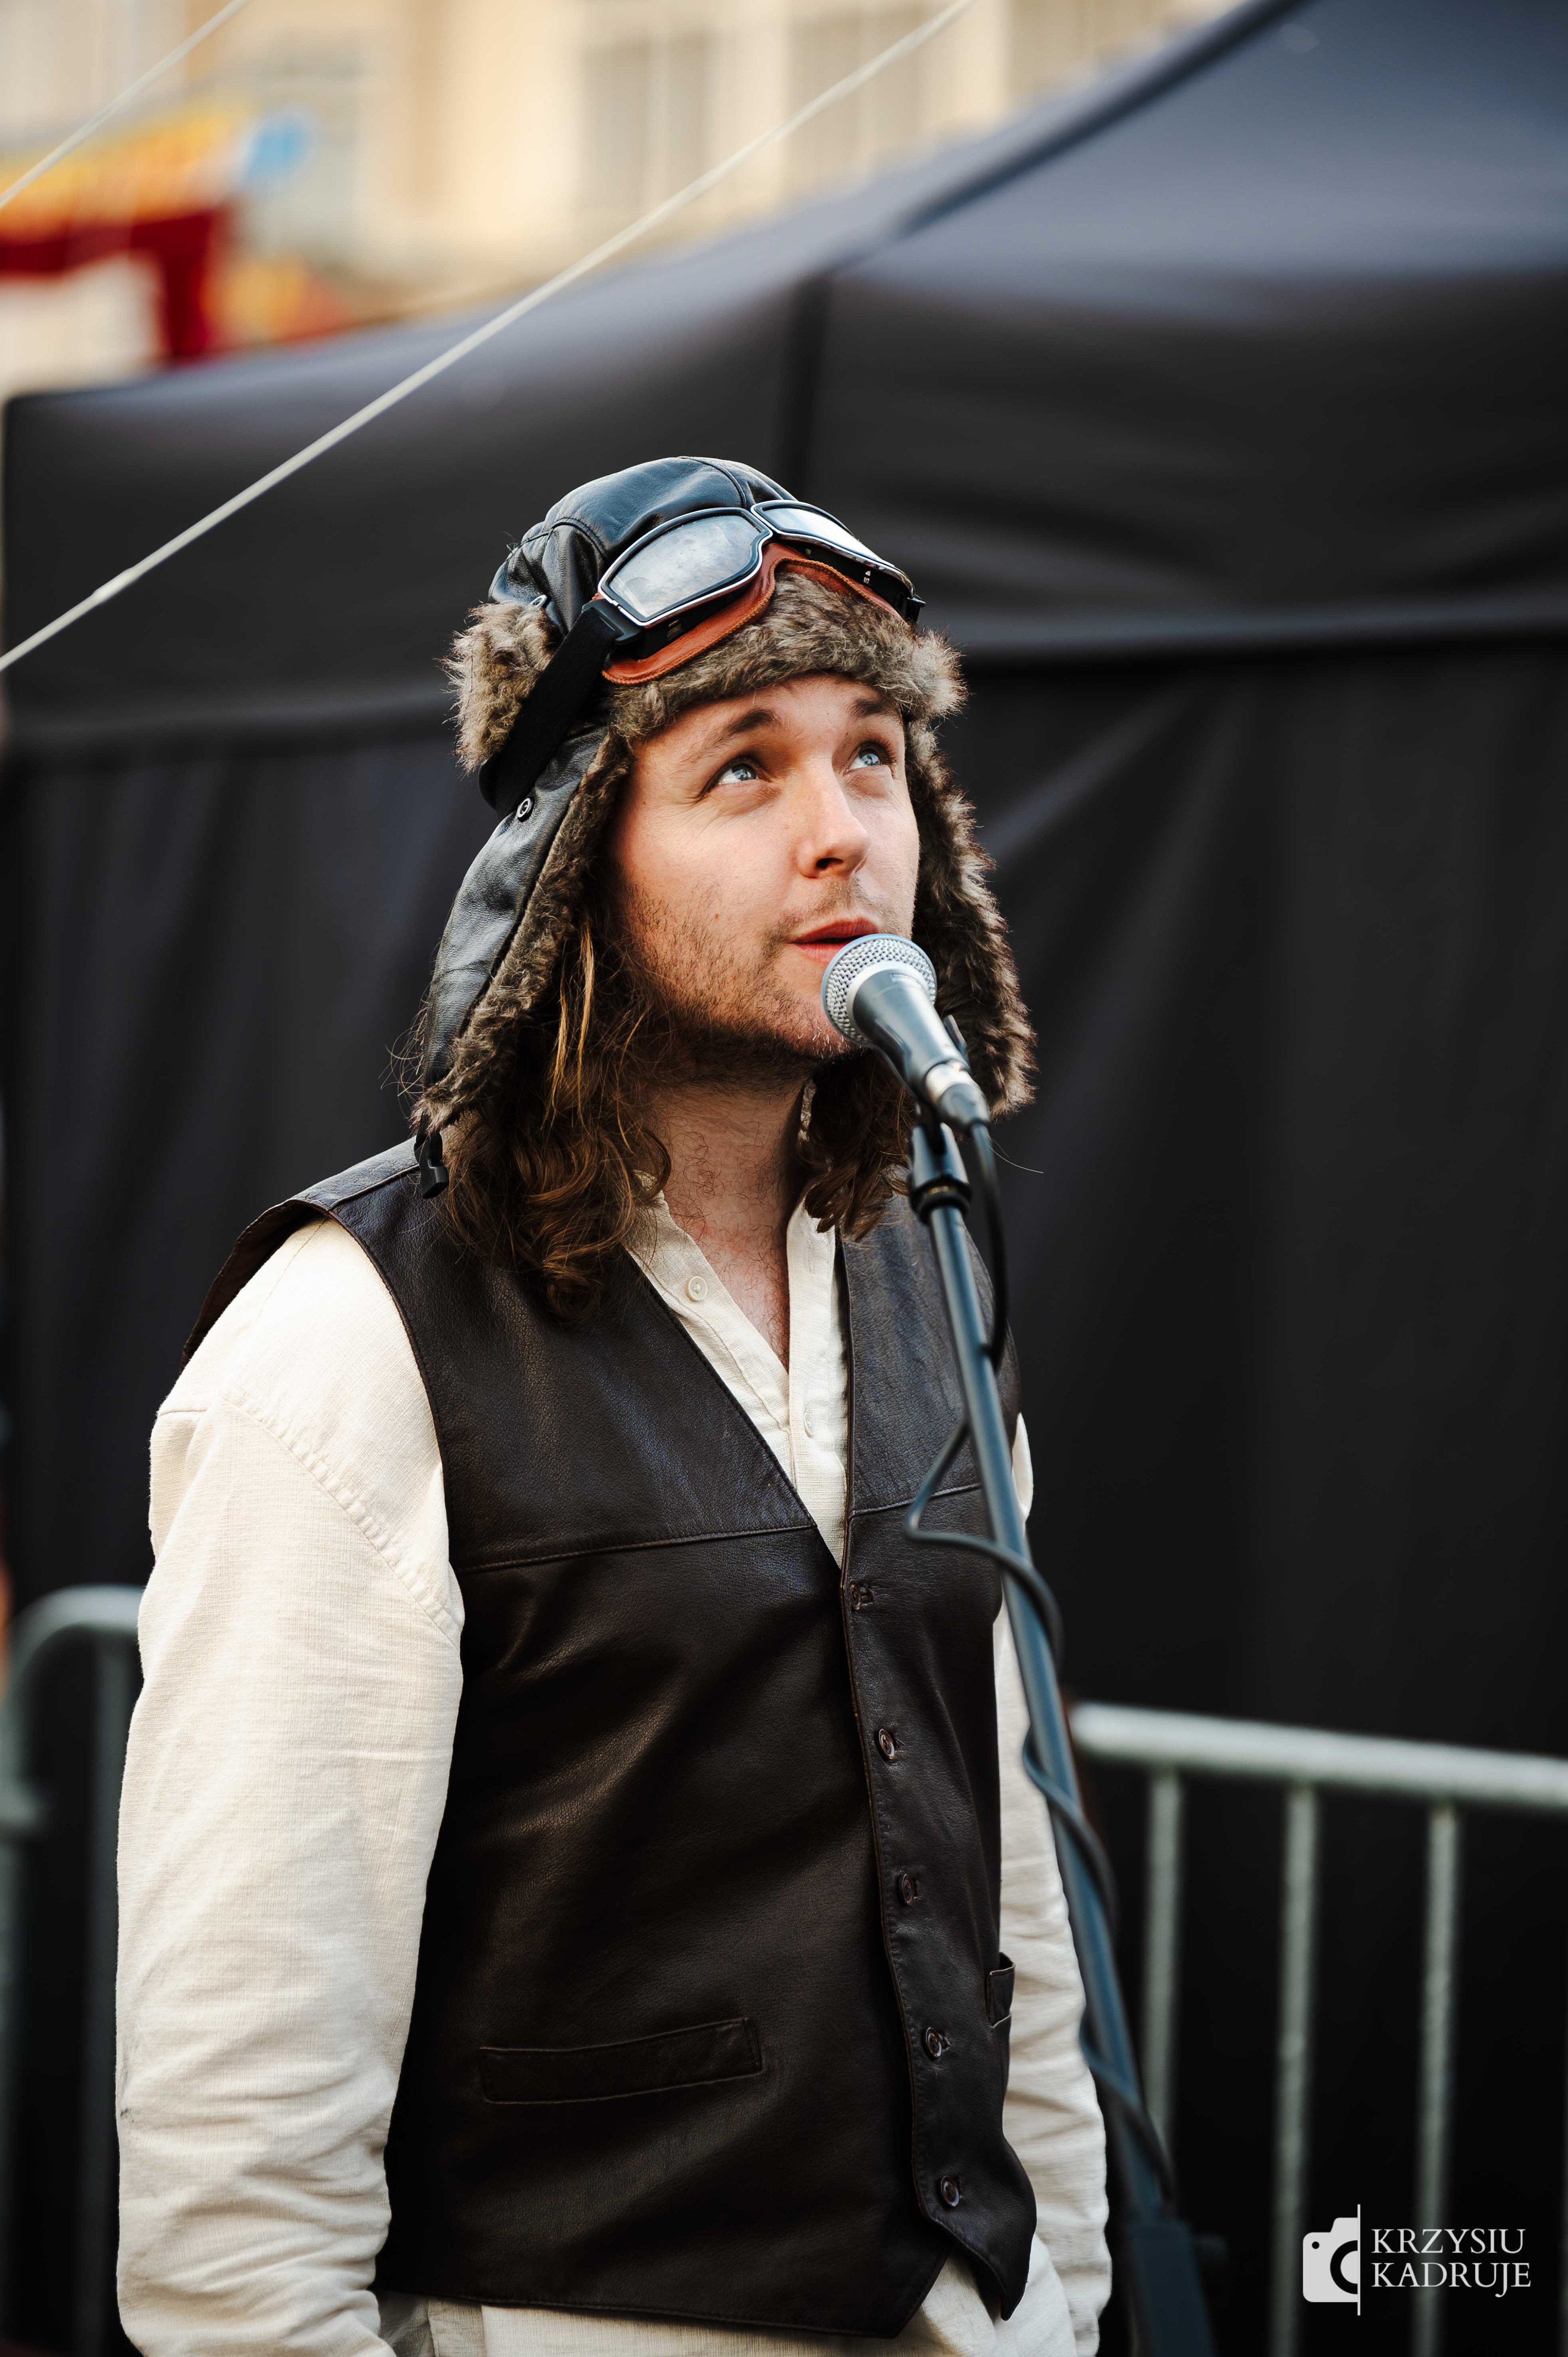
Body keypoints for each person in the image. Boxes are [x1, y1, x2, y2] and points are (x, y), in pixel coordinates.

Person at [115, 457, 1109, 2357]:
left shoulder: (928, 1274)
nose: (844, 834)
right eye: (745, 769)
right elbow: (239, 2150)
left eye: (876, 755)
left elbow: (1017, 1916)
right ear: (580, 849)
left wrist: (1062, 2290)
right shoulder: (348, 1336)